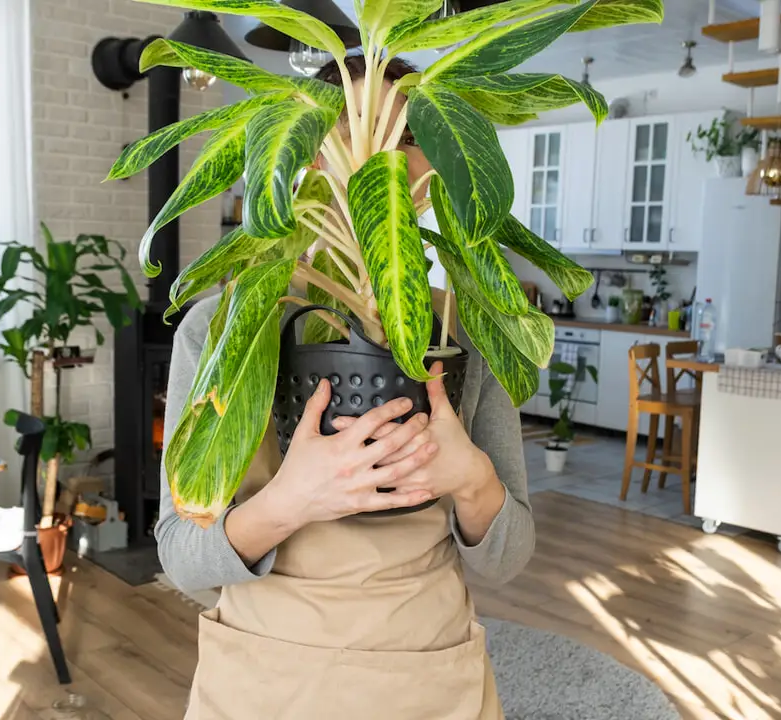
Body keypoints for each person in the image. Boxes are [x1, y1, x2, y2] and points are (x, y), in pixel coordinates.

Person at [155, 55, 534, 720]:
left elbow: (508, 560)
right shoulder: (222, 328)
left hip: (428, 671)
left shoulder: (463, 324)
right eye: (347, 134)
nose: (378, 161)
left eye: (410, 139)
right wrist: (294, 499)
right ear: (304, 157)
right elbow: (184, 560)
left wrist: (471, 478)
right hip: (266, 677)